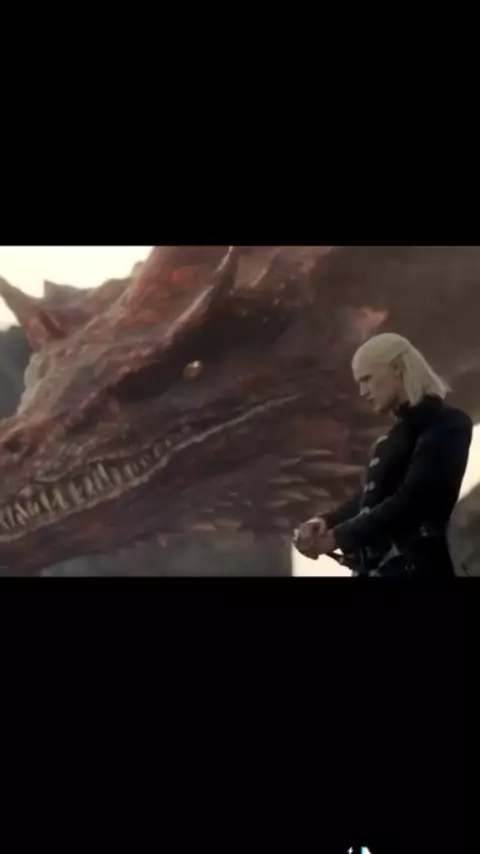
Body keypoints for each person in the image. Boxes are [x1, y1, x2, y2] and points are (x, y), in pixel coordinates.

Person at [293, 332, 473, 577]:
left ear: (397, 368)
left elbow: (415, 500)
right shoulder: (393, 438)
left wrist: (337, 538)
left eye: (367, 379)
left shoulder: (446, 424)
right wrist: (326, 522)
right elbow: (371, 498)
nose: (362, 391)